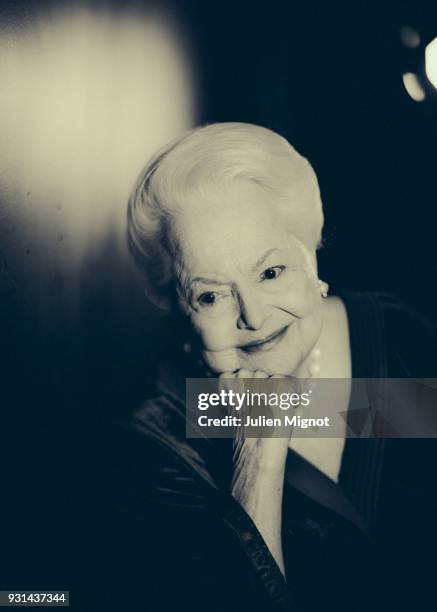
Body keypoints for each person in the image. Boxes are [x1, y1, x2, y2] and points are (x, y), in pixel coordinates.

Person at [102, 123, 436, 611]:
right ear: (178, 306)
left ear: (311, 255)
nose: (254, 317)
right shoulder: (160, 429)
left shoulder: (393, 336)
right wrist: (255, 462)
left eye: (271, 272)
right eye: (211, 295)